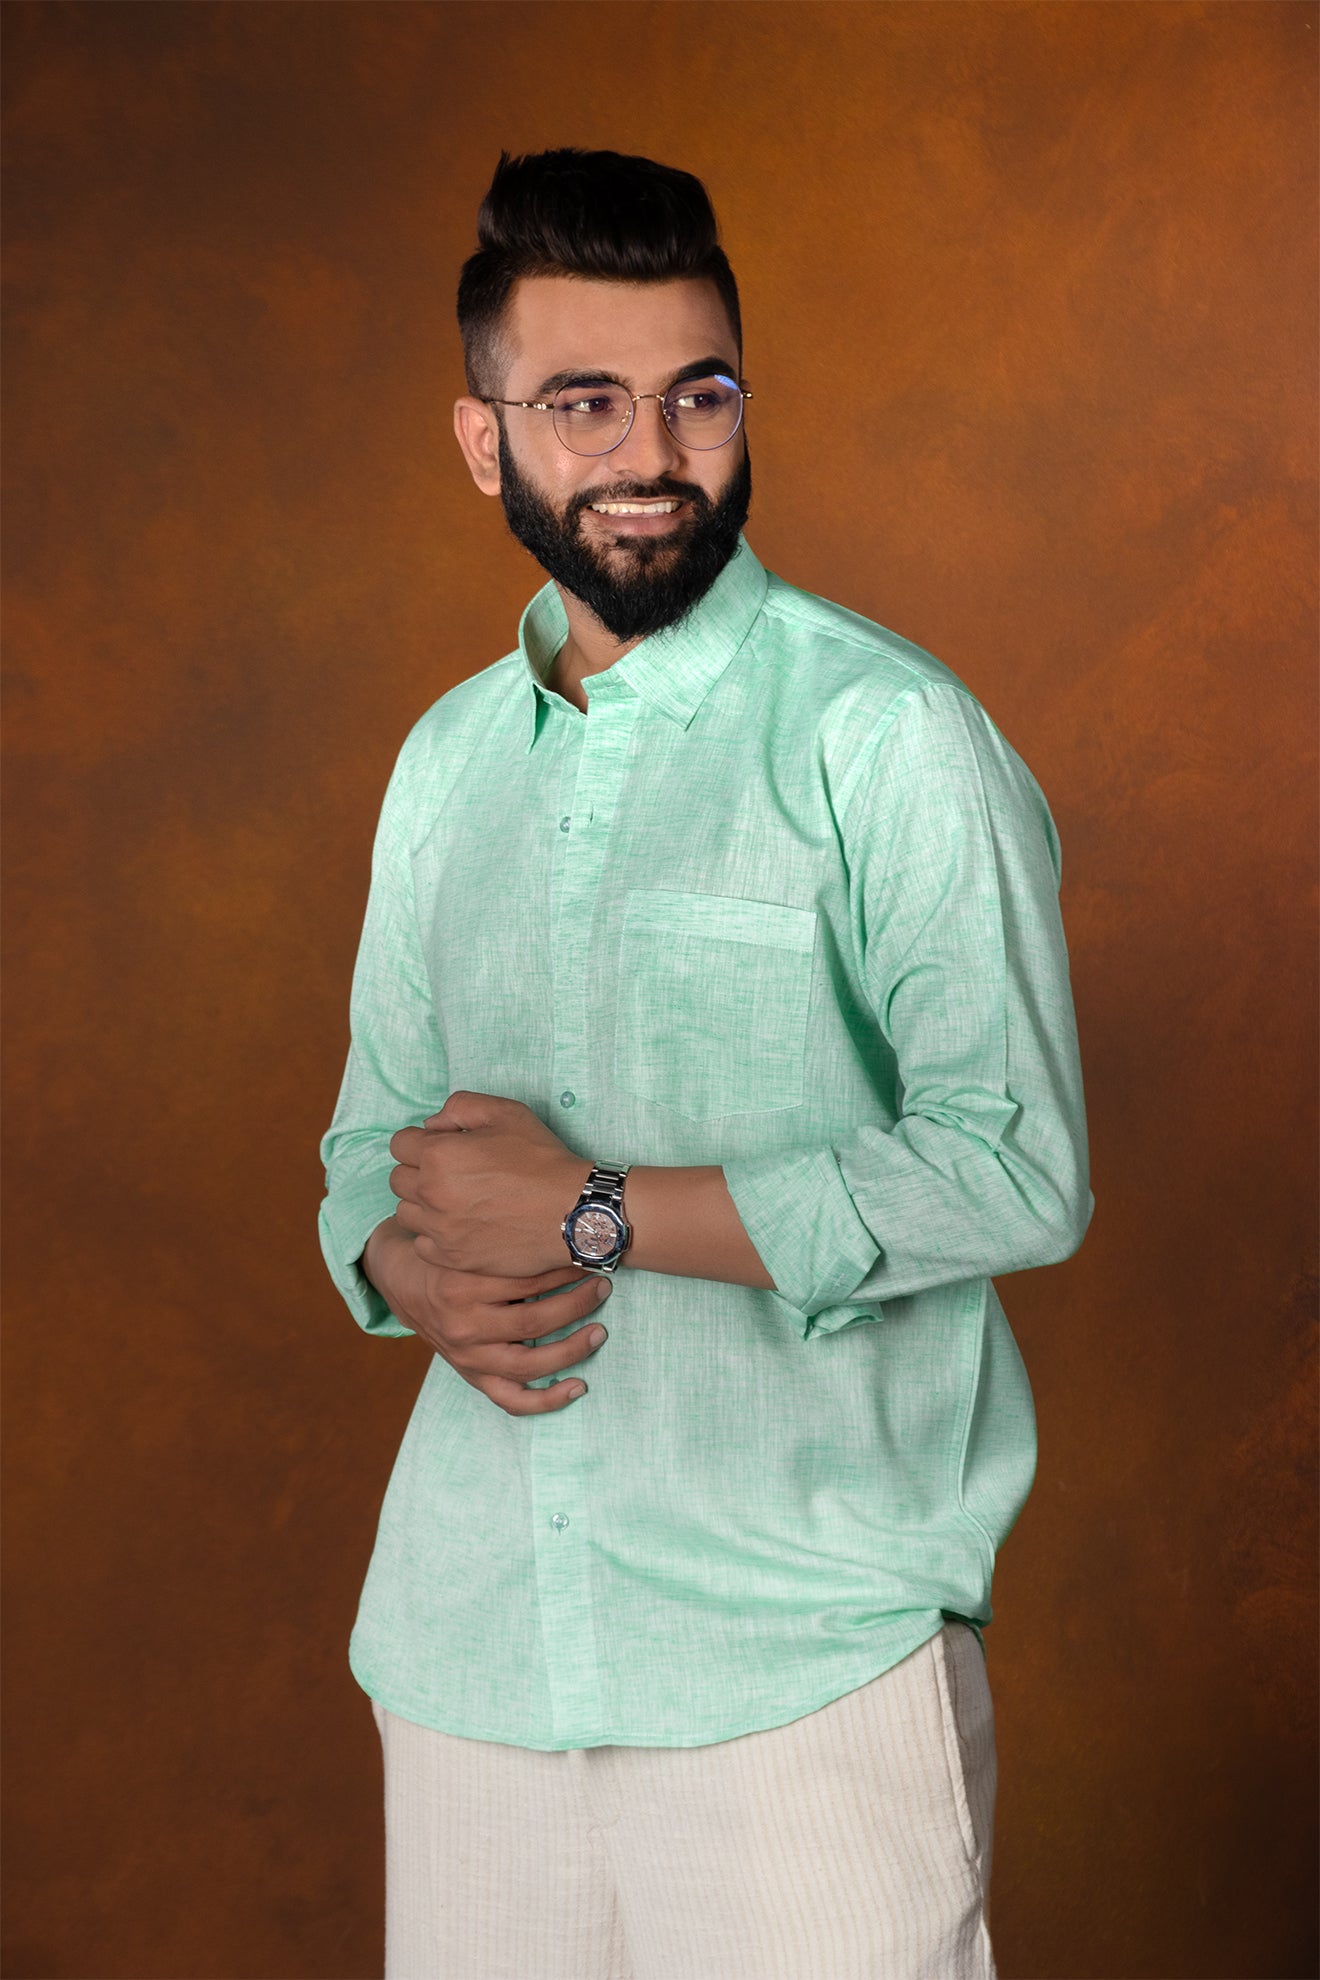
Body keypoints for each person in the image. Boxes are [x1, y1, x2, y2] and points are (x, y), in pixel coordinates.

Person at [319, 147, 1091, 1980]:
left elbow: (1015, 1170)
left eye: (701, 393)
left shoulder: (889, 735)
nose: (654, 451)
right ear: (484, 440)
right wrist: (403, 1264)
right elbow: (366, 1144)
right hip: (470, 1656)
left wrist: (591, 1212)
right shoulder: (443, 768)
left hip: (801, 1667)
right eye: (584, 402)